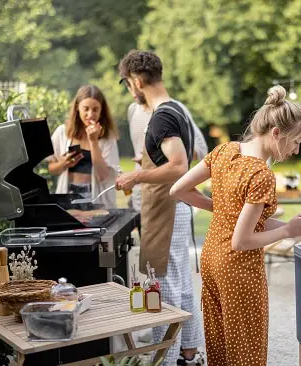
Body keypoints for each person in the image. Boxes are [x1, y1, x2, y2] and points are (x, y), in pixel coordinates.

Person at [169, 85, 301, 366]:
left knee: (221, 343)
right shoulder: (261, 174)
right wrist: (285, 232)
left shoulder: (225, 151)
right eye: (296, 142)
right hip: (238, 269)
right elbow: (242, 241)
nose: (296, 150)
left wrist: (221, 208)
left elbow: (178, 190)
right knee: (246, 348)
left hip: (211, 260)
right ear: (276, 133)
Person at [115, 50, 205, 366]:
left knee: (162, 292)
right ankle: (188, 354)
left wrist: (136, 175)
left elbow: (180, 166)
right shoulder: (176, 111)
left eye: (127, 83)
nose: (129, 89)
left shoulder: (162, 117)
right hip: (174, 209)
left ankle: (162, 361)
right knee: (177, 289)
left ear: (136, 81)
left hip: (166, 212)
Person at [127, 100, 208, 212]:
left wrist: (164, 155)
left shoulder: (171, 111)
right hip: (140, 199)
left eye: (130, 84)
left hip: (170, 203)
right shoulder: (133, 110)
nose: (131, 89)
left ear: (138, 82)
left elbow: (200, 150)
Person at [48, 85, 120, 209]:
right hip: (68, 196)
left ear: (101, 110)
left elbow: (103, 175)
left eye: (95, 109)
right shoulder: (62, 132)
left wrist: (93, 141)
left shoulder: (107, 137)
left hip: (96, 198)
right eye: (86, 109)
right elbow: (51, 168)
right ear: (77, 108)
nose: (90, 114)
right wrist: (63, 164)